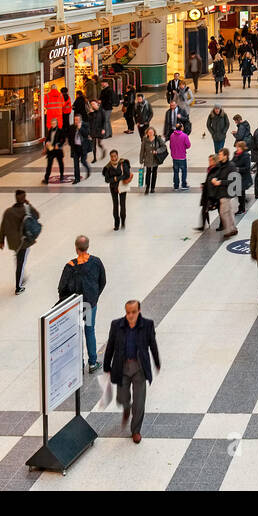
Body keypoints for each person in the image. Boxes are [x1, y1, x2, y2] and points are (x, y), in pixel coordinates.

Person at [103, 300, 160, 443]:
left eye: (133, 312)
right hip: (122, 367)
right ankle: (126, 408)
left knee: (139, 402)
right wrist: (106, 365)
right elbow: (110, 346)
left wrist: (157, 362)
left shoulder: (147, 325)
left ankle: (136, 430)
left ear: (139, 311)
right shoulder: (116, 326)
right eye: (128, 312)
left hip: (139, 368)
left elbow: (152, 344)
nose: (130, 315)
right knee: (122, 397)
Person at [58, 235, 107, 373]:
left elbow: (61, 287)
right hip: (90, 305)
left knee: (77, 332)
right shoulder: (96, 262)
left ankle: (79, 363)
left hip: (75, 306)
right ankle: (92, 363)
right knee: (90, 330)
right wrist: (94, 297)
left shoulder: (70, 266)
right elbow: (102, 281)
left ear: (76, 248)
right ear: (88, 247)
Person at [0, 189, 40, 295]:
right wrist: (28, 204)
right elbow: (37, 215)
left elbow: (2, 226)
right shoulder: (26, 209)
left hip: (13, 242)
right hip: (23, 242)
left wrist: (1, 240)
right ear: (24, 197)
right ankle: (18, 287)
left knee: (19, 260)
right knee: (20, 263)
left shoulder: (7, 212)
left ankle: (22, 276)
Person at [102, 149, 132, 231]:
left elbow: (127, 175)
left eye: (115, 156)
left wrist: (116, 178)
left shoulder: (123, 163)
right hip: (113, 188)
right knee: (115, 205)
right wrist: (115, 179)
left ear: (117, 156)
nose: (113, 158)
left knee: (123, 204)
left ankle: (123, 221)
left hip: (122, 187)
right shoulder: (108, 167)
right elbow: (107, 180)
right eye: (112, 156)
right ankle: (116, 223)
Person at [139, 126, 163, 194]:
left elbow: (163, 147)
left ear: (154, 132)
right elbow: (142, 150)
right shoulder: (144, 139)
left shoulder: (158, 139)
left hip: (155, 159)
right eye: (149, 132)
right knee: (148, 173)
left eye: (152, 132)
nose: (150, 134)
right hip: (148, 159)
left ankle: (152, 188)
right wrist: (141, 159)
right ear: (147, 133)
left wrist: (157, 151)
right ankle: (147, 188)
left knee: (154, 173)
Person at [169, 124, 191, 191]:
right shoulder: (184, 136)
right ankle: (183, 185)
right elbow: (188, 145)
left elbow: (170, 146)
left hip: (174, 157)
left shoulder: (172, 135)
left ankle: (176, 186)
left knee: (176, 172)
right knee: (184, 171)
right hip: (182, 157)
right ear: (181, 128)